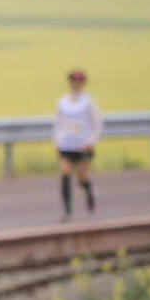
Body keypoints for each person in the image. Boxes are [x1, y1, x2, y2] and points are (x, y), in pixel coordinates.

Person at [54, 68, 103, 220]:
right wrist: (57, 140)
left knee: (82, 178)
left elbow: (96, 123)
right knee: (65, 174)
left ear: (83, 83)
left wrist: (92, 141)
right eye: (73, 81)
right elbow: (58, 122)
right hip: (67, 145)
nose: (76, 84)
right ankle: (67, 210)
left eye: (79, 81)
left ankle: (89, 192)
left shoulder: (88, 102)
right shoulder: (63, 101)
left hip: (82, 145)